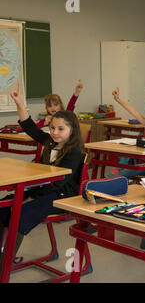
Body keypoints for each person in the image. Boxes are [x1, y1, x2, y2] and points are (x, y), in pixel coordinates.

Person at [0, 84, 84, 272]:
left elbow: (58, 183)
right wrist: (20, 103)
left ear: (72, 130)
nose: (55, 132)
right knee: (4, 206)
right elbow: (29, 126)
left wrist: (30, 196)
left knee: (20, 213)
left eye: (61, 129)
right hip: (44, 189)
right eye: (52, 128)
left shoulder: (75, 152)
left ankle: (3, 267)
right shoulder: (49, 142)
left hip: (62, 195)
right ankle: (4, 255)